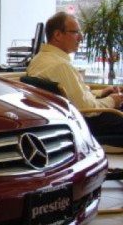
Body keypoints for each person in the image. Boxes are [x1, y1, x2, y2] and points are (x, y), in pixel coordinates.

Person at [27, 11, 123, 146]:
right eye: (76, 32)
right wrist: (112, 100)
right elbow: (86, 108)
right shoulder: (60, 66)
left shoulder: (38, 60)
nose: (81, 38)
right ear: (58, 35)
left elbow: (72, 95)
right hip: (85, 123)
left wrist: (101, 93)